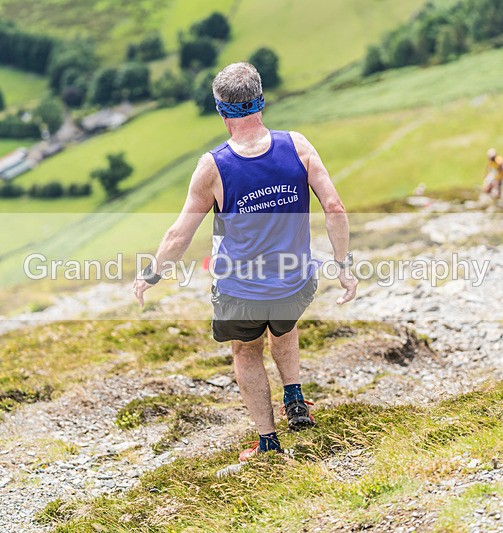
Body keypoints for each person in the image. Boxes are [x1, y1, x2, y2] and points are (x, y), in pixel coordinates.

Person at [132, 62, 358, 462]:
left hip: (242, 290)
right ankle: (295, 398)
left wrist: (152, 274)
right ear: (261, 101)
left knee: (246, 351)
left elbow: (178, 235)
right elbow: (335, 208)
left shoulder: (214, 166)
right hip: (294, 283)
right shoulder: (298, 146)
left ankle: (269, 442)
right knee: (283, 326)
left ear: (222, 112)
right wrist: (344, 265)